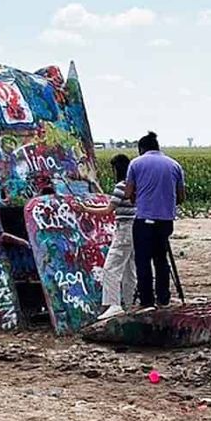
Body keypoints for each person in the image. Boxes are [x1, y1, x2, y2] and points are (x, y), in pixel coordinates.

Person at [124, 131, 186, 310]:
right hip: (165, 221)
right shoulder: (174, 165)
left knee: (143, 261)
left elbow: (128, 194)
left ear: (141, 149)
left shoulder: (136, 163)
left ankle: (147, 301)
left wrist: (139, 197)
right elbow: (181, 196)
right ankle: (164, 298)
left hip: (144, 219)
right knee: (161, 259)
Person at [90, 153, 136, 317]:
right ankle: (131, 304)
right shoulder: (135, 184)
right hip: (136, 228)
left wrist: (85, 210)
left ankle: (113, 304)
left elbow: (107, 210)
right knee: (129, 270)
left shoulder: (121, 187)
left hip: (124, 229)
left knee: (111, 268)